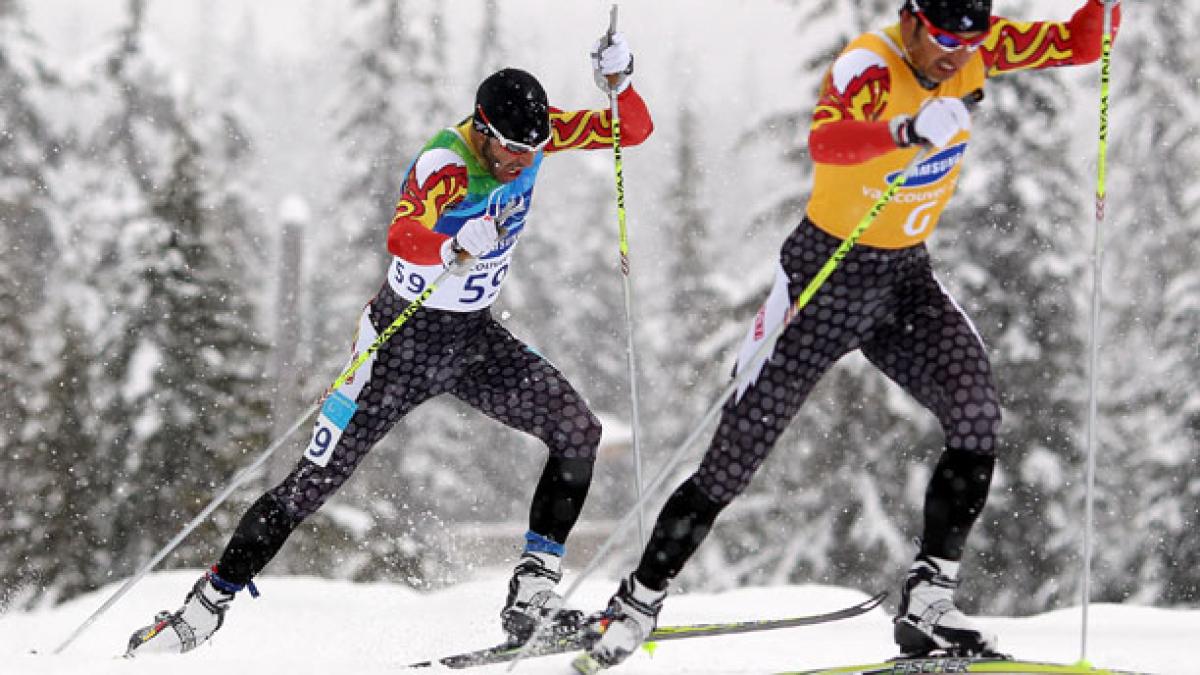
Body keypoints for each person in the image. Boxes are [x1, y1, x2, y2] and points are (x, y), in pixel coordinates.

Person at [580, 0, 1121, 668]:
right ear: (914, 21)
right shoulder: (870, 62)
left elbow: (1079, 42)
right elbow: (827, 140)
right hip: (823, 278)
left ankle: (928, 598)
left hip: (903, 279)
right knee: (733, 457)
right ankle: (637, 599)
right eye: (946, 38)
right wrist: (906, 126)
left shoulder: (980, 48)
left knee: (977, 414)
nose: (957, 54)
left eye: (970, 40)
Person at [126, 32, 653, 656]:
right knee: (309, 487)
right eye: (511, 150)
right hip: (397, 345)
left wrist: (620, 86)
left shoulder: (533, 136)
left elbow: (632, 130)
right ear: (482, 129)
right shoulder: (446, 164)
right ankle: (204, 608)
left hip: (473, 339)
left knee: (578, 430)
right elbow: (403, 236)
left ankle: (532, 592)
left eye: (533, 149)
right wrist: (454, 245)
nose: (522, 161)